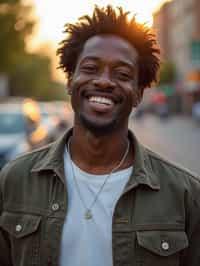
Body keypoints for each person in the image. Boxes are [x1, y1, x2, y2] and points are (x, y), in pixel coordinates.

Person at [0, 5, 200, 266]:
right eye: (91, 68)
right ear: (70, 80)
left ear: (139, 93)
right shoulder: (14, 181)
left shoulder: (186, 194)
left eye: (122, 74)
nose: (104, 81)